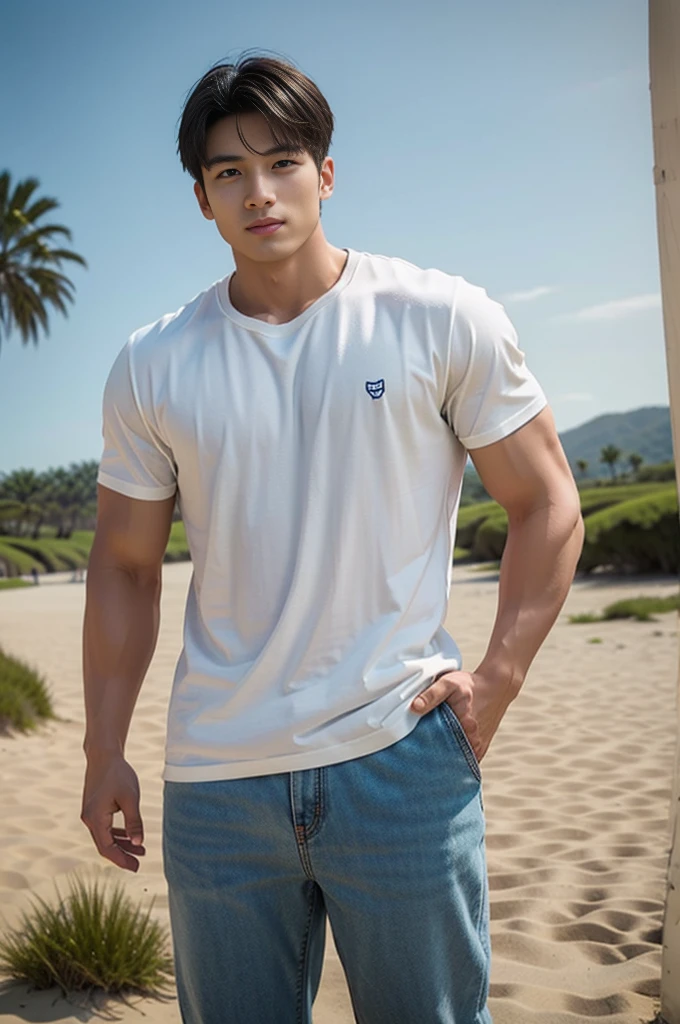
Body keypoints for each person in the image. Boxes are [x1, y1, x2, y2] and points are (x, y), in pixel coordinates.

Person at [81, 50, 585, 1024]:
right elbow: (125, 563)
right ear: (200, 198)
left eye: (281, 162)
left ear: (325, 172)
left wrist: (499, 678)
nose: (257, 191)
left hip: (399, 758)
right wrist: (105, 748)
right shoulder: (151, 364)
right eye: (228, 172)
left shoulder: (438, 317)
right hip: (217, 783)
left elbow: (547, 503)